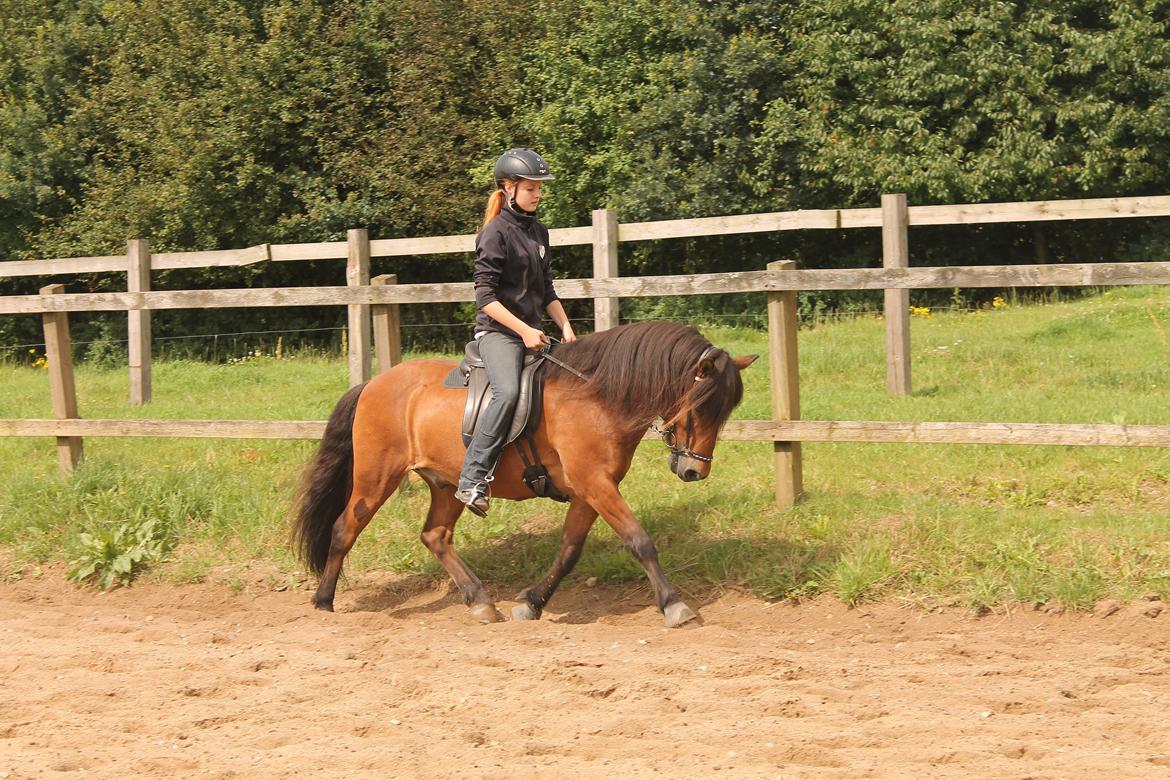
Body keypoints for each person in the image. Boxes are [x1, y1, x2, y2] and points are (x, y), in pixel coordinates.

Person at [454, 148, 576, 516]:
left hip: (533, 331)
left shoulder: (539, 231)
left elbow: (547, 289)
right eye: (530, 188)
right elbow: (485, 298)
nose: (537, 194)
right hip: (499, 334)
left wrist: (566, 326)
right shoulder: (494, 234)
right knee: (507, 392)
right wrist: (523, 330)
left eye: (539, 188)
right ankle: (472, 478)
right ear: (508, 188)